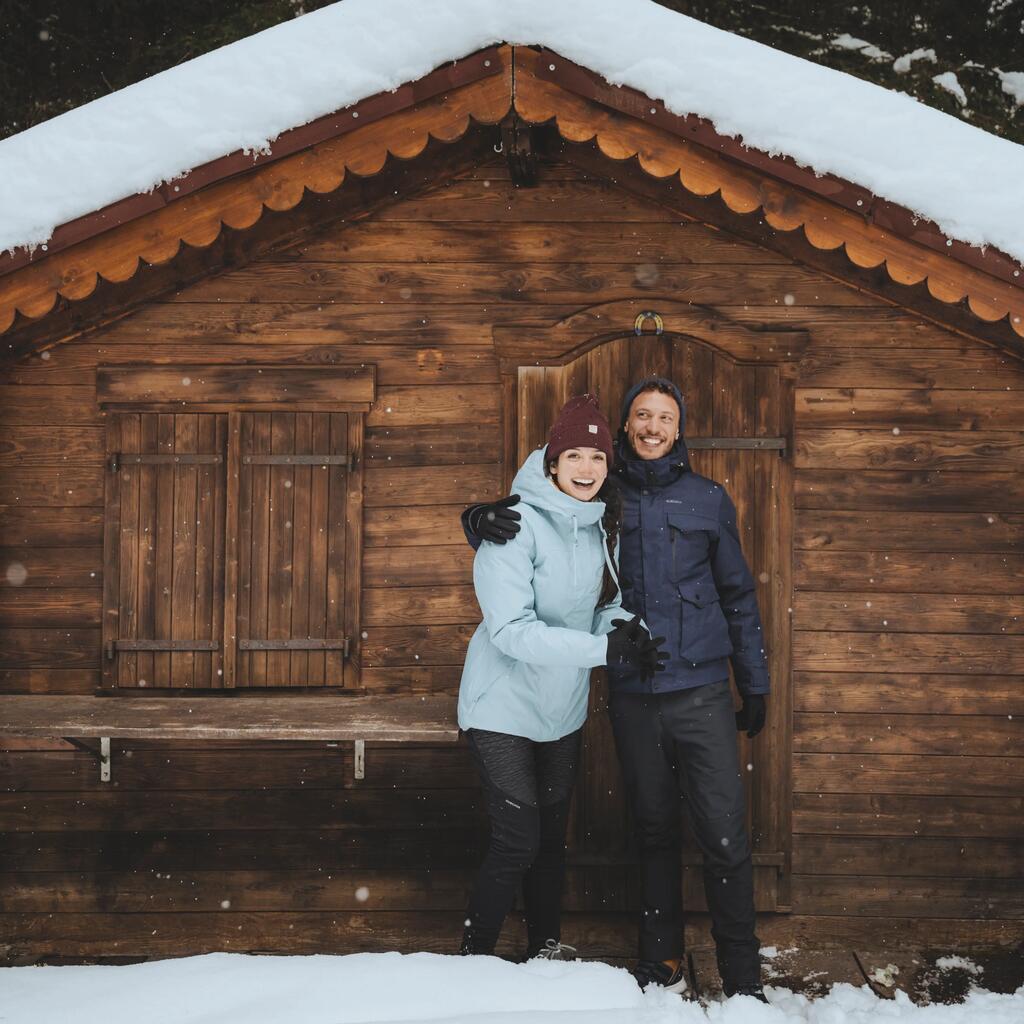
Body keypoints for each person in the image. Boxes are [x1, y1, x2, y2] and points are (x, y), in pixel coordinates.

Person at [463, 378, 770, 1001]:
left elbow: (735, 595)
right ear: (626, 428)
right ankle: (658, 960)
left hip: (695, 689)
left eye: (665, 417)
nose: (653, 427)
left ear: (679, 429)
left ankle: (743, 979)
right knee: (648, 830)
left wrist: (753, 680)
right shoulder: (602, 497)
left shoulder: (702, 500)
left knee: (723, 836)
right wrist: (473, 521)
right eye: (641, 416)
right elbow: (529, 528)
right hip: (622, 694)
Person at [457, 394, 667, 962]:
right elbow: (512, 632)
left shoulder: (600, 525)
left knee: (551, 842)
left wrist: (624, 628)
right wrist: (603, 650)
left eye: (597, 458)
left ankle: (543, 953)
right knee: (517, 841)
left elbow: (605, 602)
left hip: (562, 708)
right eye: (573, 455)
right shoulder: (511, 525)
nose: (586, 469)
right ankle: (471, 961)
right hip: (501, 705)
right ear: (552, 462)